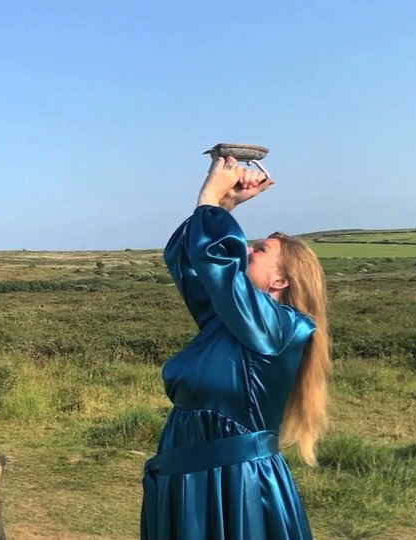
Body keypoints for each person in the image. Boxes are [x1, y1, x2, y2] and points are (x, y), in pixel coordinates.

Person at [140, 156, 331, 540]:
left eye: (259, 250)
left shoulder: (281, 328)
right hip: (191, 483)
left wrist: (210, 198)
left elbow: (218, 263)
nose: (245, 251)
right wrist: (224, 206)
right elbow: (193, 266)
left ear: (281, 280)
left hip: (237, 488)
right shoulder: (227, 322)